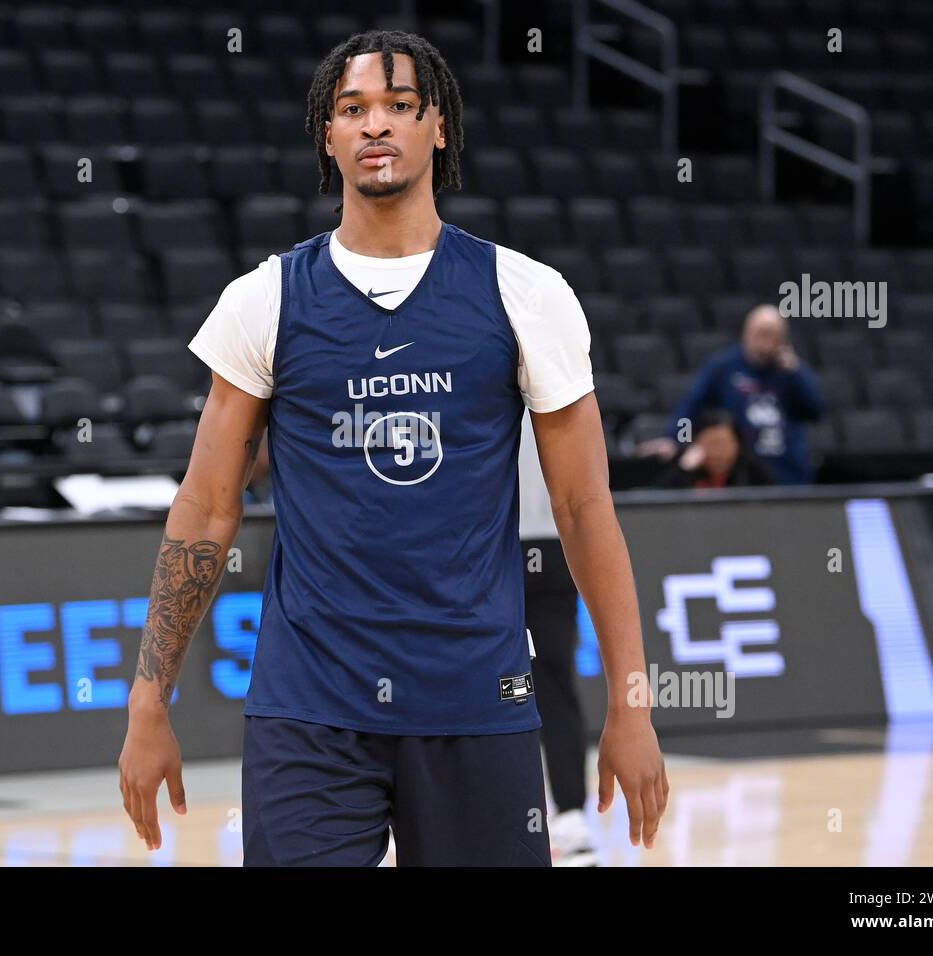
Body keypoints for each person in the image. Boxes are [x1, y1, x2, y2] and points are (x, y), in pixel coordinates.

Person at [118, 31, 667, 866]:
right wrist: (147, 703)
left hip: (476, 697)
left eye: (400, 106)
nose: (377, 125)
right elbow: (205, 507)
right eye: (353, 110)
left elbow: (585, 508)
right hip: (311, 708)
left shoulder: (526, 293)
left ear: (438, 127)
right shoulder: (263, 300)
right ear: (328, 136)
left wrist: (633, 705)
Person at [518, 407, 595, 865]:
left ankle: (565, 813)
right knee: (552, 684)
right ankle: (570, 813)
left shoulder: (470, 369)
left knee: (537, 683)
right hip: (551, 541)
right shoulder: (561, 378)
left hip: (506, 541)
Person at [642, 305, 823, 484]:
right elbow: (691, 405)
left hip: (787, 468)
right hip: (743, 471)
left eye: (774, 336)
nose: (767, 343)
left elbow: (816, 411)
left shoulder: (791, 372)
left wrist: (797, 373)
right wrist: (674, 438)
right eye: (762, 334)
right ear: (747, 333)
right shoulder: (724, 367)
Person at [653, 409, 776, 489]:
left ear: (737, 445)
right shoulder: (683, 468)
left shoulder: (750, 470)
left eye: (724, 444)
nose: (718, 453)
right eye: (712, 444)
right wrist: (683, 470)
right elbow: (653, 503)